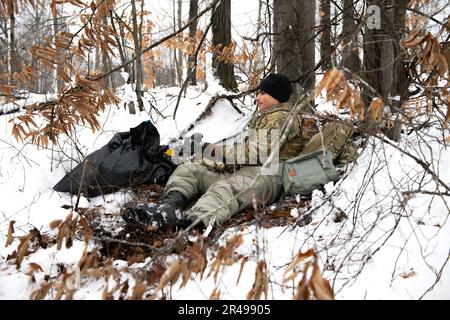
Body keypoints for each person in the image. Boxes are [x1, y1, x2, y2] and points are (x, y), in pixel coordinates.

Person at [121, 74, 308, 231]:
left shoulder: (280, 118)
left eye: (263, 93)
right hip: (246, 169)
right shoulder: (265, 117)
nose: (257, 97)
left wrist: (215, 152)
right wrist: (213, 159)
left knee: (225, 190)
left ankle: (190, 225)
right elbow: (246, 152)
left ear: (277, 96)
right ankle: (168, 206)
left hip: (269, 175)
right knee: (191, 170)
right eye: (259, 92)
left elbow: (256, 154)